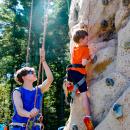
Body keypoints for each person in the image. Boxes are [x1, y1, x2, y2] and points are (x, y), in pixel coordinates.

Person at [10, 48, 53, 130]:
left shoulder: (39, 90)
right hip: (20, 128)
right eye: (30, 72)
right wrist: (29, 114)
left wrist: (43, 61)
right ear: (23, 77)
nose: (34, 73)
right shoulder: (17, 91)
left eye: (33, 72)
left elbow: (50, 79)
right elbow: (19, 110)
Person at [66, 29, 94, 130]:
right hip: (79, 73)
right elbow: (83, 63)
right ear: (81, 40)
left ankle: (73, 86)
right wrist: (90, 58)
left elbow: (74, 60)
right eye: (86, 39)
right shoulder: (85, 49)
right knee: (84, 95)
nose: (88, 40)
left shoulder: (75, 48)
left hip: (71, 73)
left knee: (78, 86)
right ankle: (88, 117)